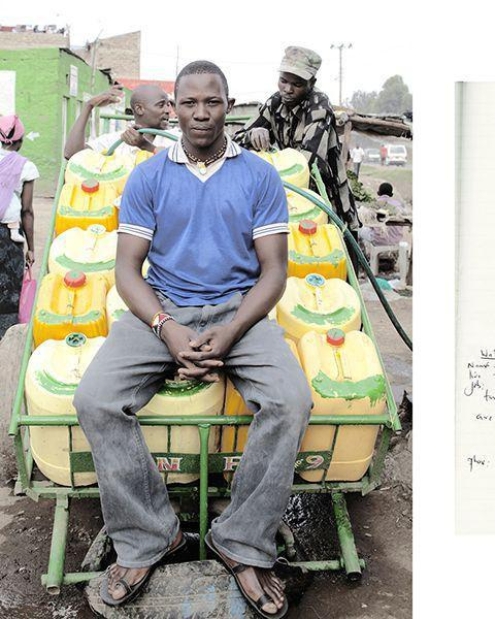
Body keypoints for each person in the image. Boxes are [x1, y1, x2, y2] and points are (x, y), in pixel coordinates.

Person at [73, 61, 311, 617]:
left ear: (230, 106)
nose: (201, 114)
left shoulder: (258, 175)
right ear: (173, 108)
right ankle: (149, 537)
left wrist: (228, 333)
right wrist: (167, 328)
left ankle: (243, 541)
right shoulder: (149, 176)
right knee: (95, 398)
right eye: (190, 103)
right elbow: (128, 271)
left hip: (239, 310)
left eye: (213, 102)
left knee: (291, 399)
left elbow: (273, 273)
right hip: (163, 309)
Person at [234, 46, 361, 232]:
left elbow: (307, 165)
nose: (287, 89)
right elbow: (234, 141)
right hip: (289, 196)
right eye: (283, 81)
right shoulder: (274, 103)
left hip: (321, 197)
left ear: (311, 83)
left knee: (332, 246)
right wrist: (251, 135)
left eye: (297, 84)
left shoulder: (319, 107)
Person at [64, 84, 177, 159]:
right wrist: (88, 106)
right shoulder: (114, 140)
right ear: (139, 109)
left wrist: (144, 145)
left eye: (168, 105)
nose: (168, 110)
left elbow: (179, 168)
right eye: (161, 105)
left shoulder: (177, 139)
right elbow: (73, 154)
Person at [0, 114, 36, 337]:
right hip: (9, 235)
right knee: (10, 290)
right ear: (20, 141)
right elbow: (27, 211)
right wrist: (31, 248)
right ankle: (5, 338)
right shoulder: (26, 166)